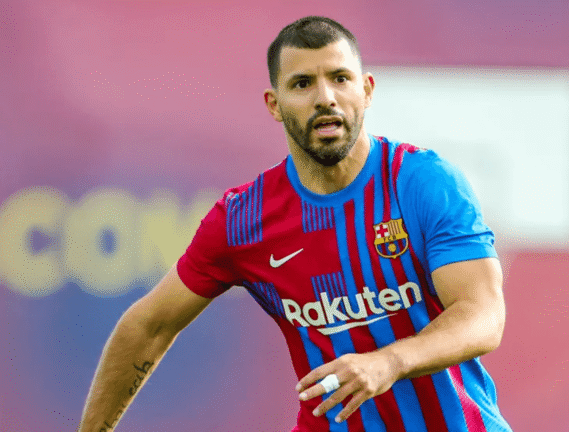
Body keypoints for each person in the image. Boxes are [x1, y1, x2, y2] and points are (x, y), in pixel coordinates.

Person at [78, 16, 512, 432]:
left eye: (340, 78)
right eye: (303, 84)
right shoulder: (243, 219)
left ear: (366, 90)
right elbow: (148, 326)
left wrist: (388, 362)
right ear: (275, 104)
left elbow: (482, 315)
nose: (325, 97)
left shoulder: (422, 182)